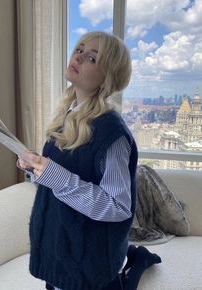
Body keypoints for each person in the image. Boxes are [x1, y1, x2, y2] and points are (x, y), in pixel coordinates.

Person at [17, 31, 160, 290]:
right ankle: (134, 258)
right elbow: (55, 185)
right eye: (80, 49)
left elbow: (118, 207)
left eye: (92, 58)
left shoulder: (112, 133)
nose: (79, 57)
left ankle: (134, 263)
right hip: (58, 250)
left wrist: (55, 176)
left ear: (107, 77)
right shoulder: (64, 117)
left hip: (87, 262)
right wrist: (35, 169)